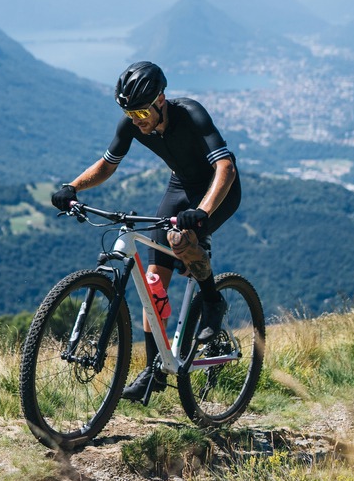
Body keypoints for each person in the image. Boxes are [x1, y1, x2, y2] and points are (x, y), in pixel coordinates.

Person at [51, 60, 241, 404]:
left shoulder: (191, 114)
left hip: (218, 188)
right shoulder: (133, 124)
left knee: (181, 240)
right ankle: (155, 371)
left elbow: (225, 166)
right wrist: (73, 187)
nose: (139, 121)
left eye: (142, 113)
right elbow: (107, 164)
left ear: (161, 99)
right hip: (180, 186)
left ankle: (213, 301)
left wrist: (202, 212)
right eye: (132, 114)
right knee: (154, 282)